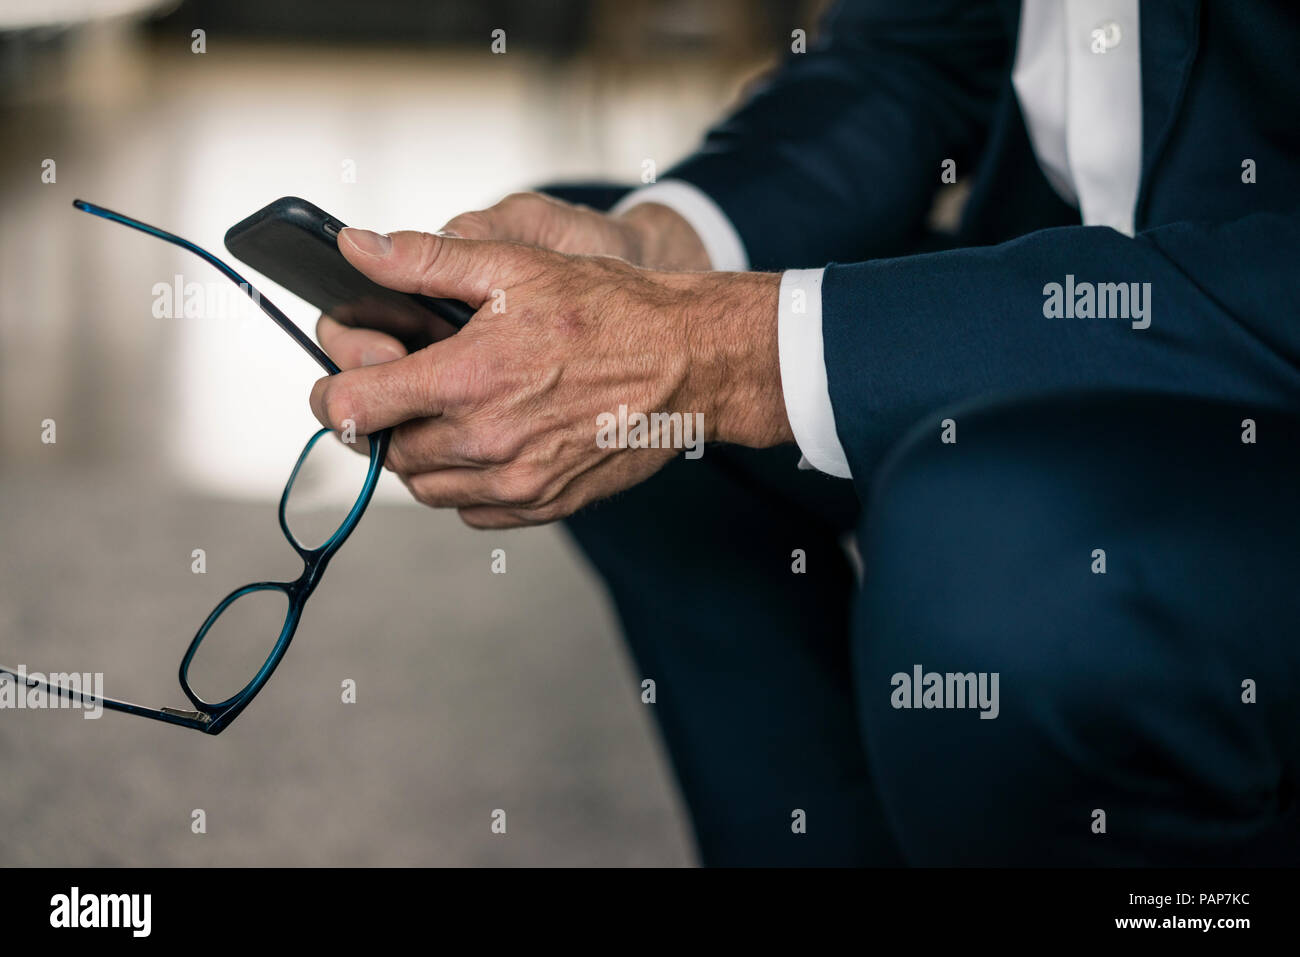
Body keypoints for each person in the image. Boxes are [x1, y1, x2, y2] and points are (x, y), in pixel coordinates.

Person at [308, 0, 1300, 865]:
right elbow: (912, 52)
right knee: (602, 338)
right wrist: (657, 252)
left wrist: (724, 352)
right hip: (1056, 289)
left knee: (987, 556)